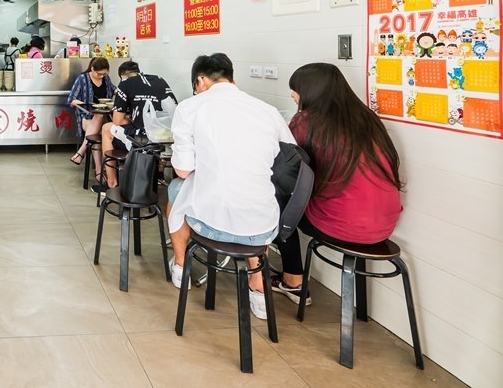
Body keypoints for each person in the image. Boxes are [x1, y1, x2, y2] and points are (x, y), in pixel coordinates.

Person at [165, 53, 295, 320]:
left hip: (212, 224)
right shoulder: (267, 110)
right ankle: (258, 289)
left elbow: (183, 170)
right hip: (263, 228)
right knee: (253, 197)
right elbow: (289, 161)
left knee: (177, 188)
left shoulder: (190, 108)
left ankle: (180, 267)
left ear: (201, 80)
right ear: (232, 79)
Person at [271, 62, 403, 305]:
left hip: (341, 225)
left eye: (296, 89)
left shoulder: (305, 122)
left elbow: (283, 166)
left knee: (276, 201)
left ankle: (293, 280)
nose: (292, 95)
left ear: (311, 91)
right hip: (384, 225)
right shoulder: (368, 119)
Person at [98, 60, 177, 192]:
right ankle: (158, 174)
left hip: (143, 142)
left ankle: (111, 183)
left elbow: (118, 120)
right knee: (157, 134)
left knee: (106, 128)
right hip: (168, 141)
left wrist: (132, 120)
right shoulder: (160, 80)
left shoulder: (125, 83)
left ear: (122, 76)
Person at [67, 57, 115, 183]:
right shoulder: (82, 79)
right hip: (86, 117)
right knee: (98, 121)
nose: (102, 76)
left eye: (104, 74)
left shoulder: (106, 79)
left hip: (103, 117)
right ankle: (99, 172)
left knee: (97, 131)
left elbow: (113, 89)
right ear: (92, 69)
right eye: (99, 74)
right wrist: (86, 105)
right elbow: (71, 100)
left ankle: (81, 153)